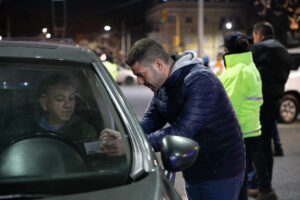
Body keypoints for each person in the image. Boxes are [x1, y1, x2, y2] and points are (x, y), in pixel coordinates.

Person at [125, 38, 245, 200]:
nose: (139, 81)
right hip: (193, 167)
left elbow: (182, 132)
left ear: (158, 65)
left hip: (221, 169)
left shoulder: (200, 80)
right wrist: (125, 136)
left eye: (141, 75)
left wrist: (131, 145)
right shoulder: (163, 86)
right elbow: (150, 121)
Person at [2, 74, 123, 156]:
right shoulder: (21, 126)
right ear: (44, 104)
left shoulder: (84, 129)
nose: (68, 105)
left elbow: (98, 157)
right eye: (60, 99)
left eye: (71, 98)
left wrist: (114, 147)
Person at [219, 32, 276, 200]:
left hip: (237, 133)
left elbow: (227, 107)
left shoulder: (236, 72)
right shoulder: (251, 67)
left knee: (235, 182)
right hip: (251, 129)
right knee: (241, 179)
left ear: (228, 50)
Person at [251, 21, 290, 190]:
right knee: (267, 144)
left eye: (254, 37)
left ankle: (261, 185)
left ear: (258, 34)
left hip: (257, 102)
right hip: (275, 101)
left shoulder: (258, 49)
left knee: (256, 144)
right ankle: (266, 183)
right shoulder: (283, 50)